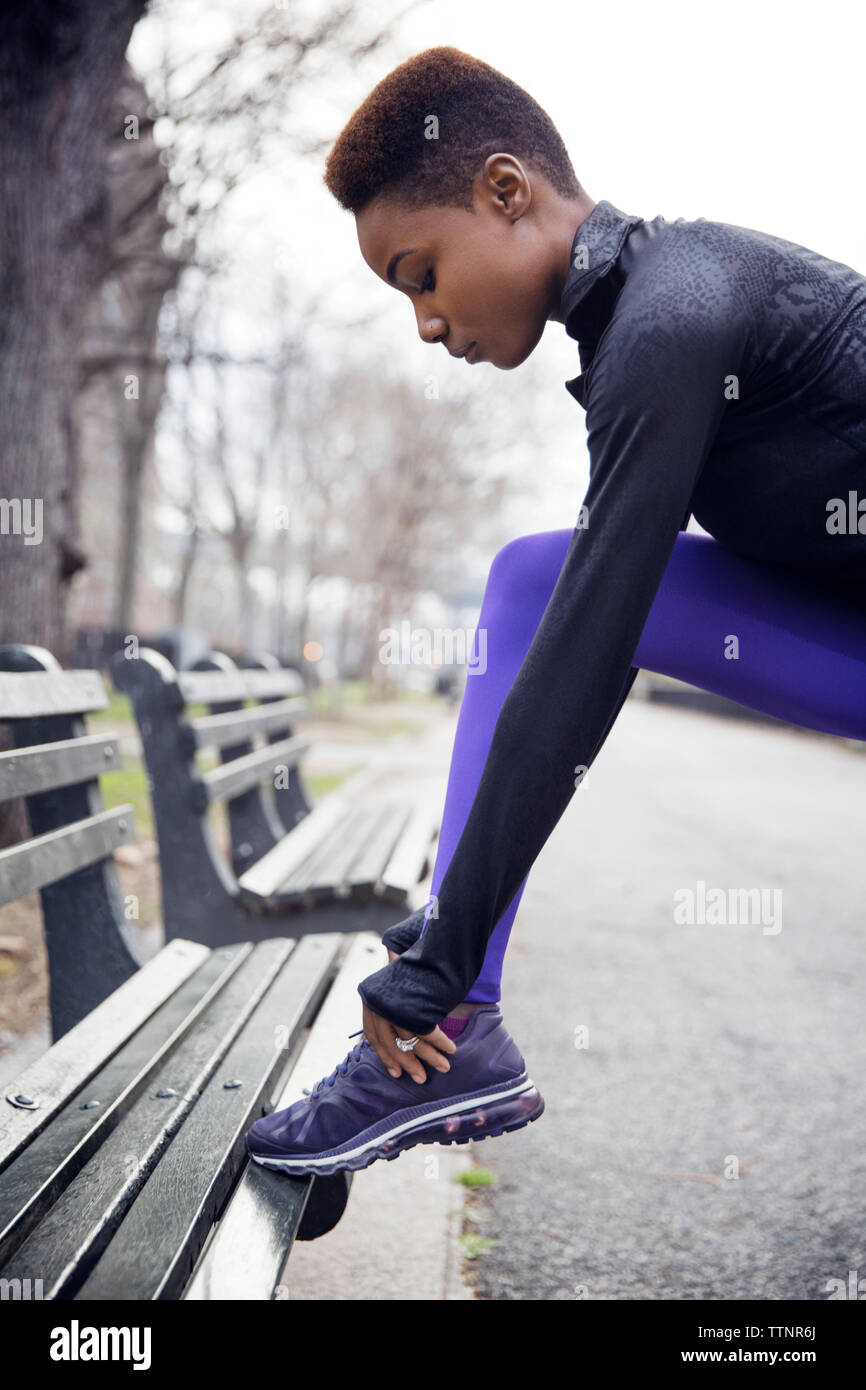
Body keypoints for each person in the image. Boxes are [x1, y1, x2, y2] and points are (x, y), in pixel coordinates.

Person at [245, 46, 866, 1176]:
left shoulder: (675, 313)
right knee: (533, 580)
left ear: (504, 191)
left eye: (418, 274)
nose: (424, 324)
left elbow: (588, 653)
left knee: (558, 601)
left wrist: (437, 948)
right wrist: (451, 934)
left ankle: (448, 1004)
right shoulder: (643, 324)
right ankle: (460, 1022)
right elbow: (575, 611)